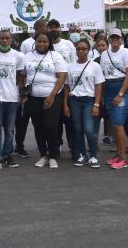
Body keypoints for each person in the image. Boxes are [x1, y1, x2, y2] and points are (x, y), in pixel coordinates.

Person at [23, 32, 68, 169]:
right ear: (35, 42)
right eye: (39, 41)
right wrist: (22, 92)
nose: (42, 44)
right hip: (33, 97)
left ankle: (53, 155)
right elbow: (22, 75)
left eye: (45, 42)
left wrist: (52, 95)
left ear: (49, 43)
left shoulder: (55, 56)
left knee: (51, 125)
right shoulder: (27, 56)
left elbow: (62, 76)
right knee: (38, 127)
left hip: (53, 96)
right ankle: (43, 155)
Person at [0, 30, 24, 171]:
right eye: (2, 38)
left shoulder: (19, 56)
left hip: (12, 97)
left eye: (7, 38)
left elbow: (19, 77)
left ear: (11, 40)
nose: (4, 40)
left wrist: (20, 94)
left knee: (9, 130)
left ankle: (8, 155)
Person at [64, 39, 105, 168]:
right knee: (78, 129)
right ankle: (82, 155)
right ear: (75, 50)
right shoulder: (70, 66)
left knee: (88, 129)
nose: (81, 51)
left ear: (88, 50)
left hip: (89, 100)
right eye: (78, 49)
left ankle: (93, 156)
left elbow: (99, 86)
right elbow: (66, 87)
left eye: (84, 49)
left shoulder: (95, 66)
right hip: (74, 100)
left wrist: (96, 104)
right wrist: (65, 104)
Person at [99, 29, 128, 169]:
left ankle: (123, 159)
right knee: (115, 124)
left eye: (117, 38)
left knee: (119, 124)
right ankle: (118, 154)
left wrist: (120, 94)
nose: (115, 40)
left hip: (123, 89)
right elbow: (102, 74)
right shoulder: (104, 54)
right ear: (109, 39)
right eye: (112, 37)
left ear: (121, 40)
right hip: (108, 88)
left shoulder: (126, 52)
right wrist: (101, 96)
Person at [15, 21, 48, 158]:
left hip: (42, 90)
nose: (43, 29)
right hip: (28, 89)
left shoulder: (47, 43)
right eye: (40, 28)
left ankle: (46, 147)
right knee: (22, 120)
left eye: (44, 28)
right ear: (35, 29)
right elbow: (22, 65)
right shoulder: (26, 43)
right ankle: (20, 145)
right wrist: (21, 90)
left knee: (41, 122)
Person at [47, 20, 77, 156]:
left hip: (68, 86)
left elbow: (74, 63)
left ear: (60, 28)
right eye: (51, 27)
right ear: (47, 29)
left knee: (70, 119)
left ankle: (73, 147)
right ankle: (56, 145)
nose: (53, 29)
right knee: (55, 121)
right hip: (52, 88)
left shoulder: (68, 44)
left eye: (56, 27)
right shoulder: (45, 44)